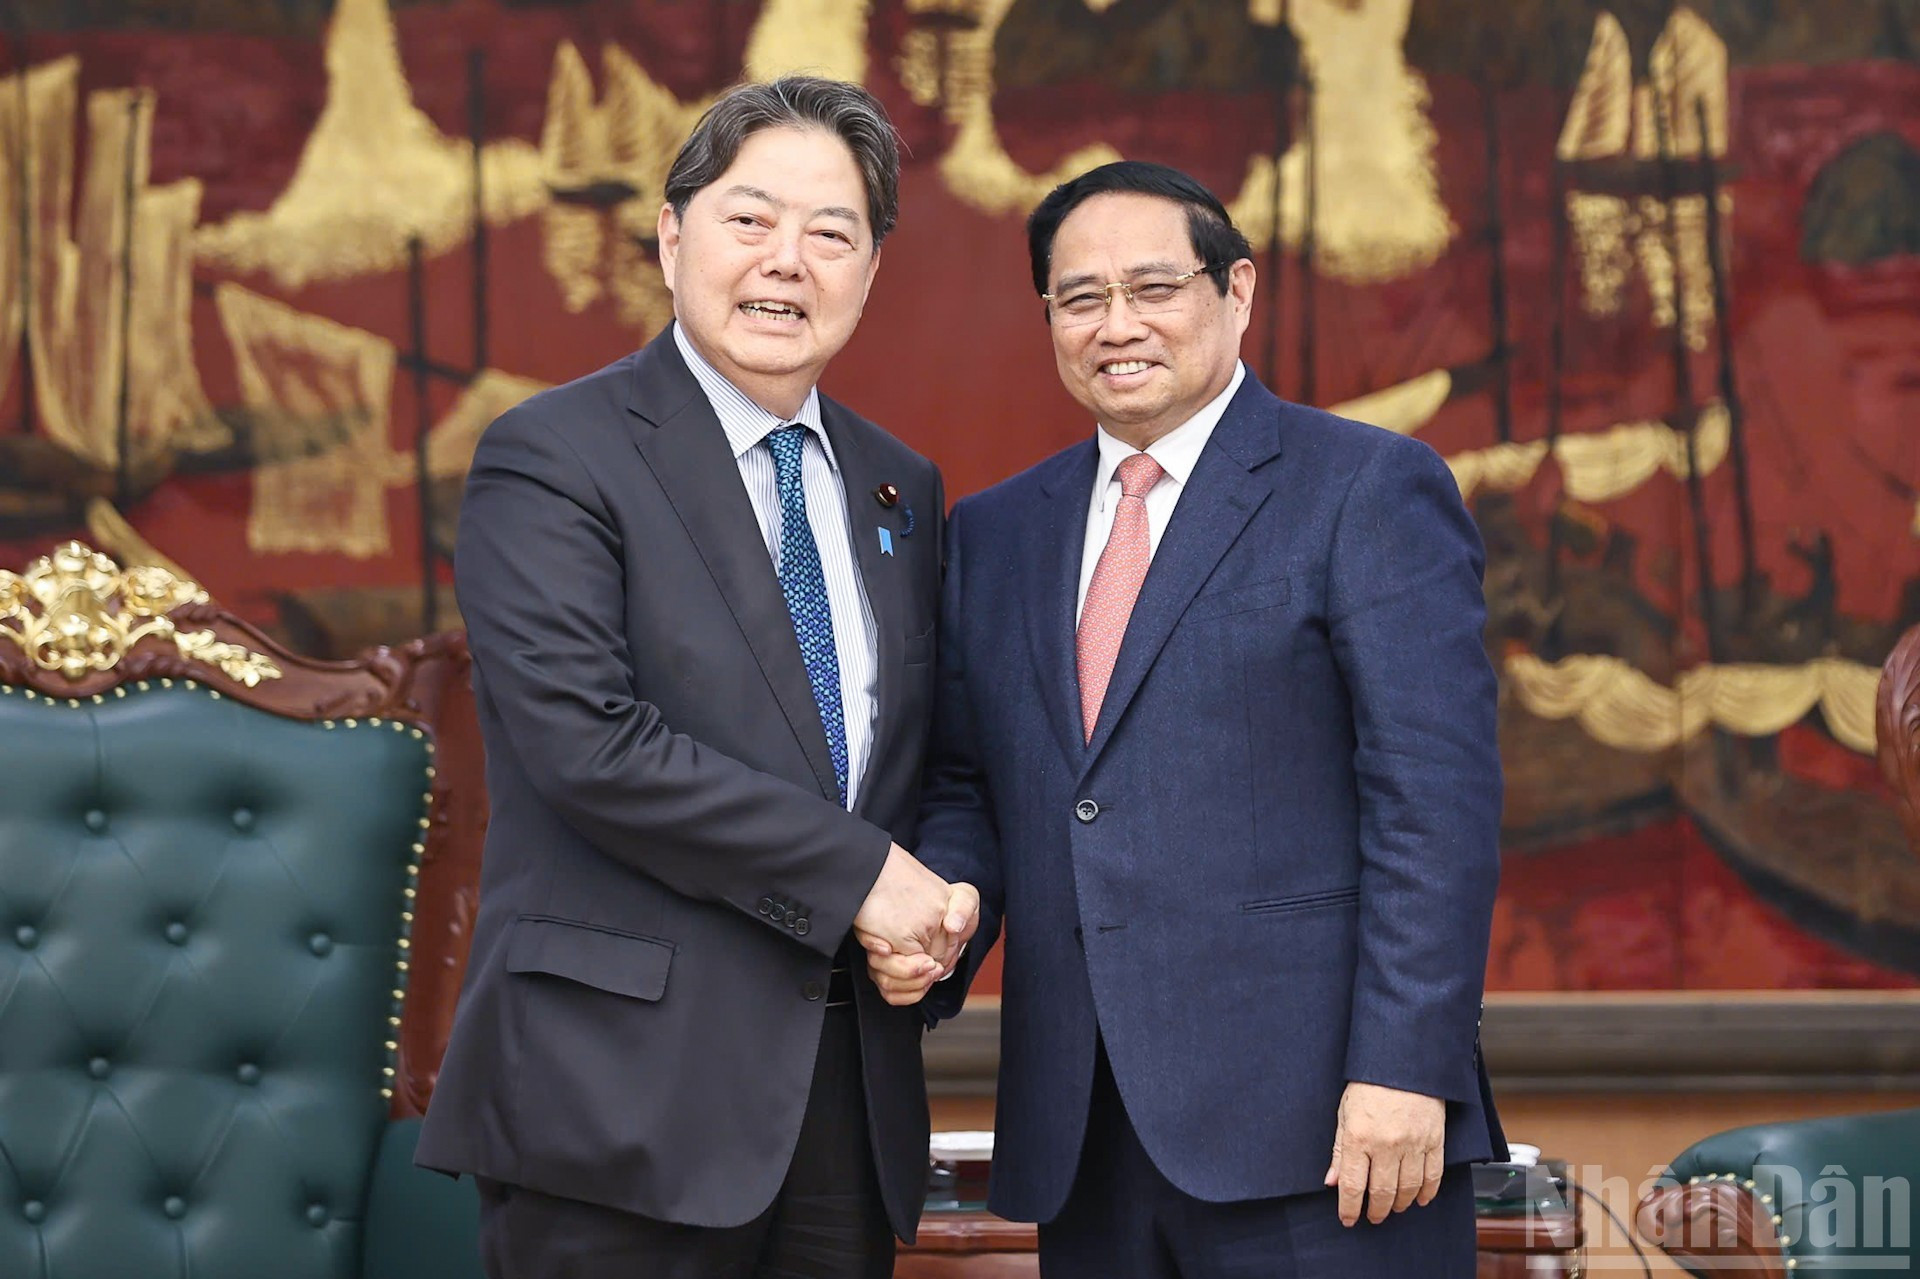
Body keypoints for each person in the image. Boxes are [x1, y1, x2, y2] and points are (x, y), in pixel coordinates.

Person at [866, 160, 1506, 1278]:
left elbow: (1433, 805)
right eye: (1081, 297)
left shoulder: (1366, 487)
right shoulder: (998, 532)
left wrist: (1408, 1067)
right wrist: (945, 913)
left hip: (1325, 1133)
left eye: (1154, 288)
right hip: (1084, 1137)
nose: (1117, 325)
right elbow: (972, 785)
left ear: (1236, 290)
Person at [417, 76, 976, 1279]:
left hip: (843, 1104)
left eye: (832, 233)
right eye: (749, 219)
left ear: (872, 272)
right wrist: (863, 875)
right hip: (617, 1101)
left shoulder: (902, 486)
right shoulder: (553, 454)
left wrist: (939, 918)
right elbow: (589, 744)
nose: (788, 261)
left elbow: (925, 757)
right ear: (672, 238)